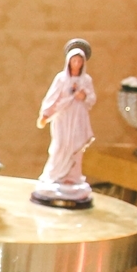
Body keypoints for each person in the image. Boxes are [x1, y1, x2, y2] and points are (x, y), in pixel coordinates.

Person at [33, 38, 96, 206]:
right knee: (60, 145)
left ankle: (72, 177)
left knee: (75, 147)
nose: (77, 64)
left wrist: (84, 96)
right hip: (63, 117)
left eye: (79, 61)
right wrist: (45, 114)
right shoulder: (61, 79)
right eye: (74, 61)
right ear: (69, 62)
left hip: (78, 118)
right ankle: (55, 175)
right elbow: (52, 97)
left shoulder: (86, 80)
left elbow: (92, 98)